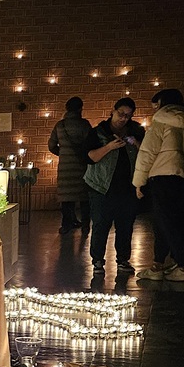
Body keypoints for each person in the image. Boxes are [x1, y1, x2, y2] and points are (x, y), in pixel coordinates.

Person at [133, 89, 184, 281]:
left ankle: (182, 266)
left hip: (160, 178)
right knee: (167, 221)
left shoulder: (160, 122)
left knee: (165, 223)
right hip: (179, 179)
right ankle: (158, 264)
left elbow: (147, 153)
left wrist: (139, 182)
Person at [82, 97, 145, 275]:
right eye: (120, 114)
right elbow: (90, 157)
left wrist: (137, 144)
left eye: (128, 115)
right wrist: (109, 147)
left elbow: (147, 154)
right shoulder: (98, 132)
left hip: (128, 187)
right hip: (101, 186)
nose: (123, 118)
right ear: (113, 111)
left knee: (125, 225)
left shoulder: (136, 132)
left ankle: (123, 259)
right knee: (101, 224)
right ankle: (97, 260)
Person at [48, 96, 93, 234]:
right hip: (81, 167)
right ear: (80, 108)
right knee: (84, 198)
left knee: (66, 198)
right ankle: (85, 225)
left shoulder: (60, 125)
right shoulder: (84, 125)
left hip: (65, 168)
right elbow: (91, 144)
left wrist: (63, 154)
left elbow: (51, 145)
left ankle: (66, 224)